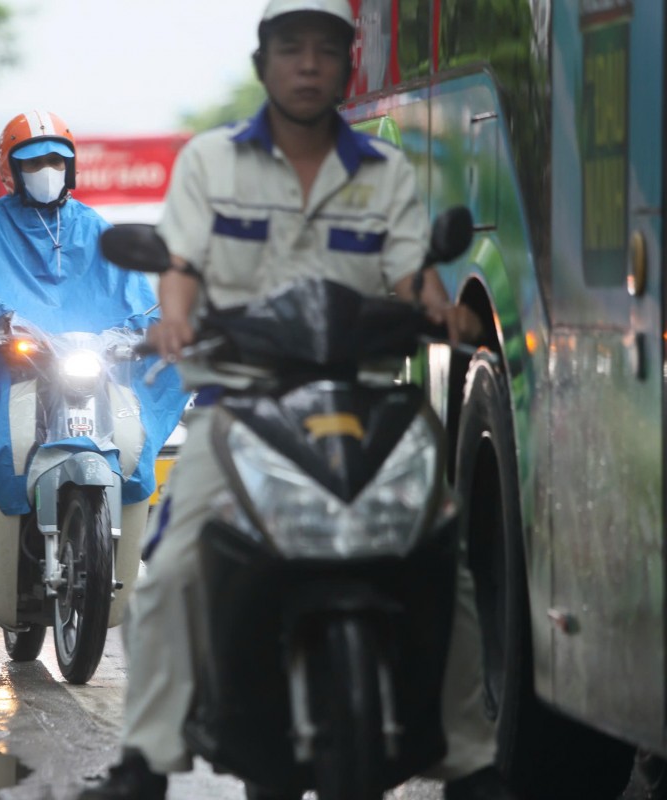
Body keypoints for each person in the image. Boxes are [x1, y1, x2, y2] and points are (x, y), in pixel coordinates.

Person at [79, 2, 509, 799]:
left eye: (324, 50)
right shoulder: (211, 162)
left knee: (442, 561)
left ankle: (472, 760)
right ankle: (146, 762)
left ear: (350, 64)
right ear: (264, 65)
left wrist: (442, 311)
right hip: (242, 403)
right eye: (290, 49)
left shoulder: (386, 175)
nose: (307, 64)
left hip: (371, 400)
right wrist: (173, 320)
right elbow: (179, 263)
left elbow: (415, 273)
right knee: (172, 569)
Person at [0, 110, 186, 593]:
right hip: (17, 361)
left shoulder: (93, 226)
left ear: (71, 166)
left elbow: (135, 295)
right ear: (10, 170)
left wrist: (139, 329)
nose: (46, 170)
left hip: (89, 359)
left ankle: (129, 547)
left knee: (134, 427)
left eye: (56, 160)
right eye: (34, 163)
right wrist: (2, 325)